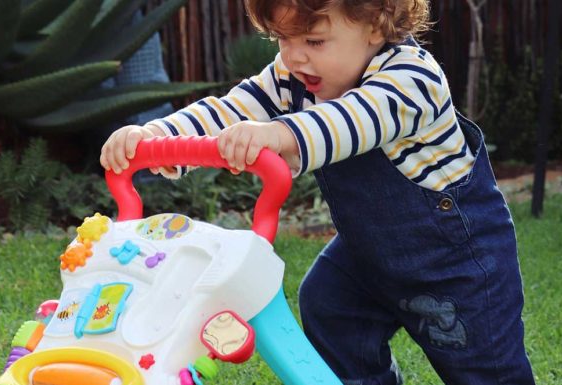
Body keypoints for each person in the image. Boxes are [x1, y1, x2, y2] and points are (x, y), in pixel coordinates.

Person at [100, 0, 536, 384]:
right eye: (282, 39)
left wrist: (277, 134)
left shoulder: (412, 79)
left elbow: (350, 121)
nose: (293, 56)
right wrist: (157, 134)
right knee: (328, 305)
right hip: (366, 253)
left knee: (483, 369)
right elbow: (230, 109)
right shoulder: (293, 76)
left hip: (455, 263)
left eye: (313, 39)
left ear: (376, 24)